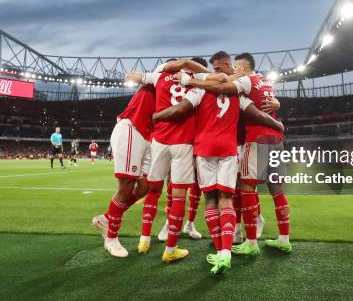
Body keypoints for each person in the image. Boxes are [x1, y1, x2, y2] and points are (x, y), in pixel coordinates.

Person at [153, 78, 284, 274]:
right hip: (229, 149)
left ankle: (219, 247)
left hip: (205, 148)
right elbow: (257, 114)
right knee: (228, 200)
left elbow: (179, 109)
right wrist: (277, 124)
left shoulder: (199, 91)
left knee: (211, 200)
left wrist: (156, 115)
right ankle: (226, 252)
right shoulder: (237, 94)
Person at [180, 52, 291, 255]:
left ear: (237, 66)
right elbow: (264, 99)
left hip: (247, 140)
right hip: (267, 139)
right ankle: (267, 236)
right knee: (273, 190)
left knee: (244, 188)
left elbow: (222, 87)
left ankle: (250, 238)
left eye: (234, 66)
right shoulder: (263, 81)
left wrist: (190, 80)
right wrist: (278, 116)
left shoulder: (243, 81)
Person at [124, 57, 210, 262]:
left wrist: (136, 76)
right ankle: (171, 250)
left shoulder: (158, 76)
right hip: (183, 144)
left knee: (154, 189)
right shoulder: (196, 85)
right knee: (179, 195)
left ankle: (144, 239)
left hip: (159, 141)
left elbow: (133, 76)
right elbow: (183, 108)